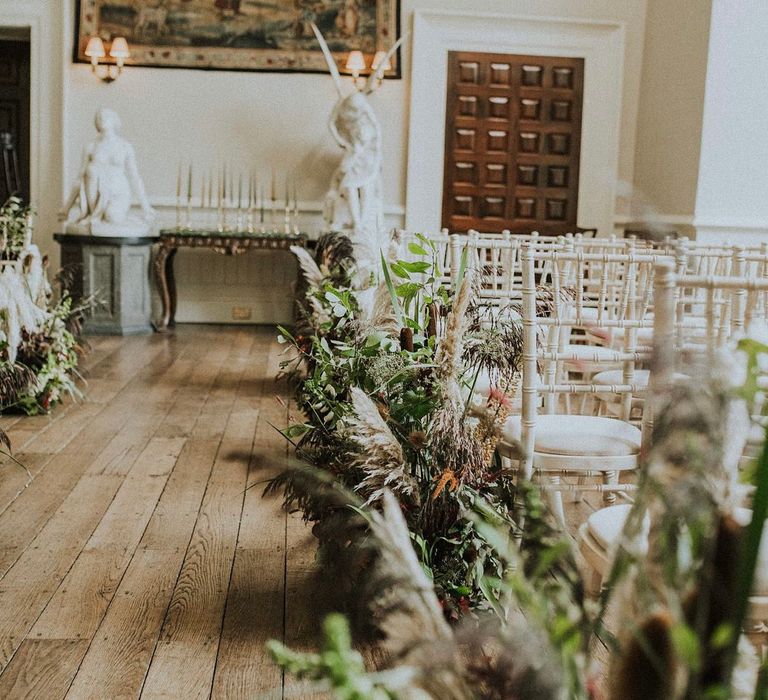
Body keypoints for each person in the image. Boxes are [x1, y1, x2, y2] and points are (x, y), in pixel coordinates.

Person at [62, 108, 155, 236]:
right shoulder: (90, 146)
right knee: (91, 170)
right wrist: (66, 208)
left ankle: (131, 219)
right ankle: (96, 215)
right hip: (96, 194)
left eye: (106, 116)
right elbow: (79, 178)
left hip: (118, 191)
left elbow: (135, 177)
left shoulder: (124, 146)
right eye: (99, 117)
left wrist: (146, 207)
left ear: (114, 121)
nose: (102, 119)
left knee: (112, 217)